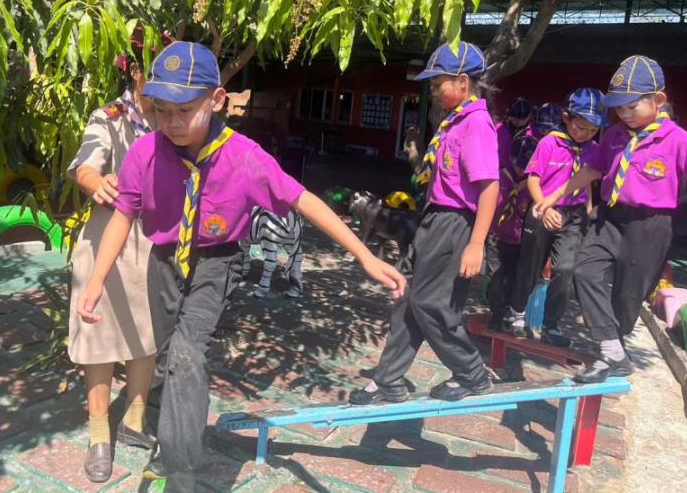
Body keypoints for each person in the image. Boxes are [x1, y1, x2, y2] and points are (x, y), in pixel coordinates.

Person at [76, 41, 405, 491]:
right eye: (161, 111)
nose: (172, 122)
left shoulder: (244, 157)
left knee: (188, 353)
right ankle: (174, 435)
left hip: (218, 260)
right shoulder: (146, 153)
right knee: (169, 358)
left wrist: (365, 255)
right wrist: (97, 281)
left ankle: (180, 468)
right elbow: (123, 216)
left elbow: (303, 200)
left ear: (217, 100)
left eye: (184, 110)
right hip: (164, 261)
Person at [536, 56, 687, 382]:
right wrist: (553, 196)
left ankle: (612, 353)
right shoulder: (615, 135)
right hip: (610, 217)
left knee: (628, 296)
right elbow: (593, 170)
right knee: (584, 271)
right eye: (618, 107)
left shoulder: (677, 139)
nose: (623, 113)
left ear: (658, 100)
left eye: (631, 106)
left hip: (650, 226)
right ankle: (612, 351)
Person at [349, 40, 500, 405]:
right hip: (433, 219)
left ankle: (471, 372)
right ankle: (388, 379)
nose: (433, 91)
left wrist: (476, 244)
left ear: (463, 82)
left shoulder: (476, 124)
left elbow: (489, 187)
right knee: (406, 295)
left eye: (437, 84)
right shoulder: (454, 122)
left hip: (455, 224)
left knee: (432, 303)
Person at [67, 51, 159, 482]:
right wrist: (96, 182)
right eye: (149, 70)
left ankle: (134, 420)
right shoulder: (109, 117)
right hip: (108, 237)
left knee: (148, 335)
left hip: (156, 242)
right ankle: (100, 433)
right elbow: (86, 163)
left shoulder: (175, 119)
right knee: (98, 338)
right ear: (134, 72)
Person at [510, 89, 607, 346]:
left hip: (573, 215)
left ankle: (551, 324)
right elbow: (533, 179)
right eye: (580, 127)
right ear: (566, 117)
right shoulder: (549, 143)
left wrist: (588, 210)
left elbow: (586, 181)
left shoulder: (594, 149)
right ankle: (517, 313)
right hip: (543, 209)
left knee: (564, 269)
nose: (585, 134)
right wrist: (545, 207)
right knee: (530, 266)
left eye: (592, 130)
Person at [486, 134, 538, 331]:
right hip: (496, 235)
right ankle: (496, 314)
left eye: (526, 166)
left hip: (520, 239)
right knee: (495, 277)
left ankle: (509, 311)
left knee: (515, 278)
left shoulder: (534, 184)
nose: (521, 169)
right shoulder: (498, 177)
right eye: (518, 164)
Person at [496, 97, 535, 166]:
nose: (519, 122)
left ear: (530, 116)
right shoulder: (498, 130)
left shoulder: (534, 133)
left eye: (523, 119)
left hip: (523, 170)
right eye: (515, 119)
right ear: (509, 115)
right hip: (500, 169)